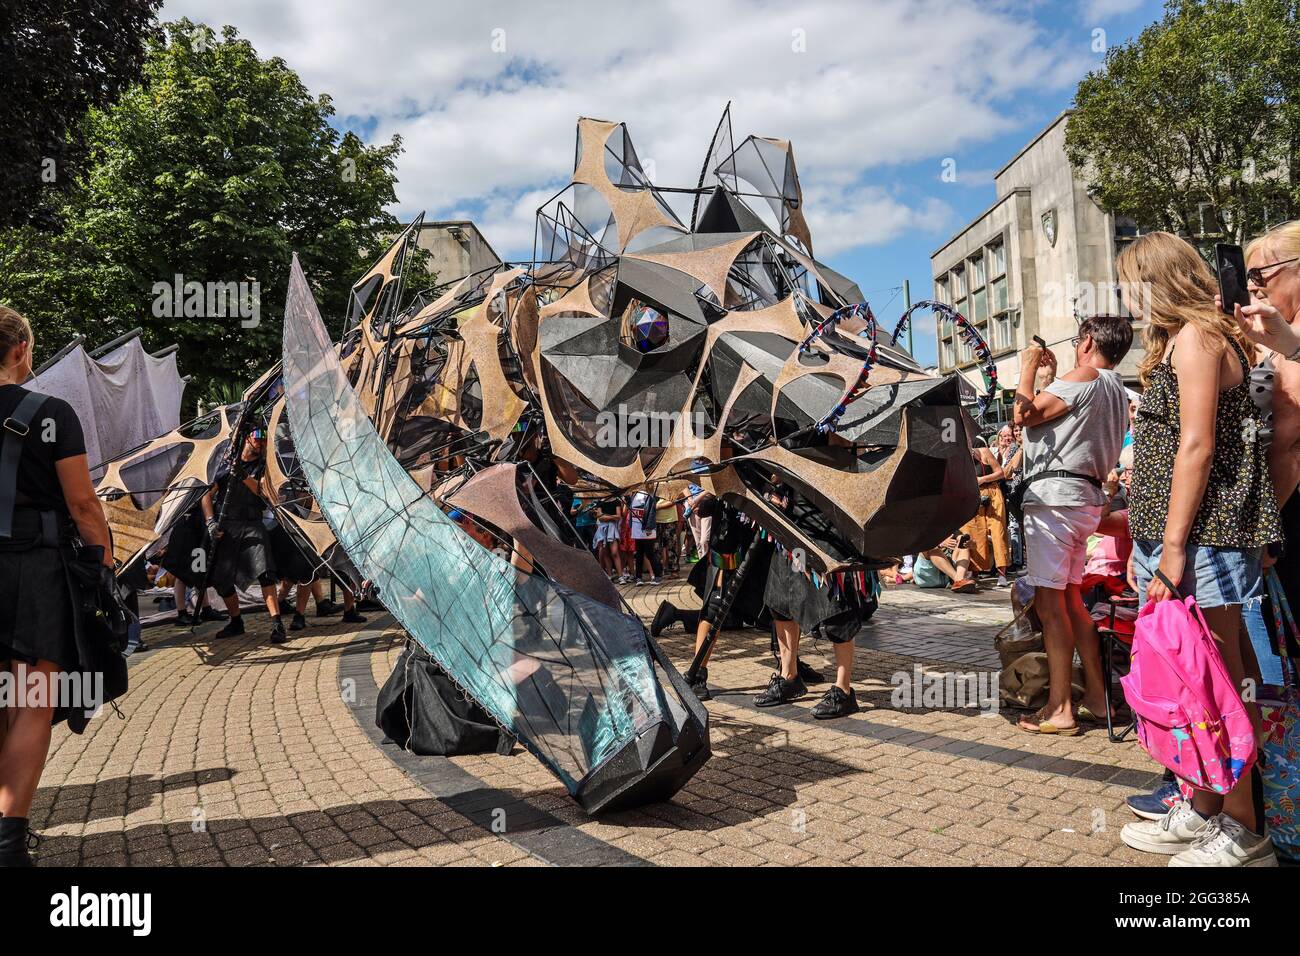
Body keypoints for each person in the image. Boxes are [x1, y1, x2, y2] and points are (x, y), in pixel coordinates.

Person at [1115, 232, 1280, 868]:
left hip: (1203, 536)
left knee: (1214, 680)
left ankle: (1243, 832)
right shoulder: (1189, 337)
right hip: (1186, 533)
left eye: (1133, 283)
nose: (1127, 298)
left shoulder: (1199, 337)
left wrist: (1174, 547)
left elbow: (1197, 445)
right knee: (1193, 680)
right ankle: (1208, 806)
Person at [0, 306, 115, 867]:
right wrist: (105, 566)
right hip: (34, 570)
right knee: (31, 700)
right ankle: (9, 843)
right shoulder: (51, 413)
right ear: (20, 349)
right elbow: (82, 503)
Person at [1012, 313, 1133, 738]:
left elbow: (1023, 414)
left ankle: (1060, 707)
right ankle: (1098, 700)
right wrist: (1049, 378)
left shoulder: (1084, 373)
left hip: (1055, 502)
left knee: (1050, 606)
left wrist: (1027, 367)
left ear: (1086, 343)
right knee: (1072, 602)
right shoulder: (1117, 387)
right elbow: (1064, 420)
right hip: (1085, 500)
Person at [204, 429, 287, 644]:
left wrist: (243, 475)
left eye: (264, 441)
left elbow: (262, 491)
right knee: (221, 579)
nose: (261, 444)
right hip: (227, 526)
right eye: (258, 439)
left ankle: (277, 623)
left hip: (252, 524)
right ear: (248, 438)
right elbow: (206, 495)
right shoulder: (224, 463)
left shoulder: (264, 466)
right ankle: (236, 621)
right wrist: (210, 521)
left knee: (265, 573)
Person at [961, 437, 1012, 587]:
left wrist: (982, 479)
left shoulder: (983, 451)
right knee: (974, 532)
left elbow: (1000, 473)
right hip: (973, 495)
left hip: (992, 492)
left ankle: (1002, 572)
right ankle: (975, 571)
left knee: (998, 531)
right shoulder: (960, 460)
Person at [626, 487, 662, 585]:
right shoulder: (634, 494)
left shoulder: (649, 495)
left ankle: (658, 576)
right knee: (639, 554)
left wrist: (649, 527)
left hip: (647, 529)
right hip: (637, 528)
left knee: (650, 553)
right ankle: (639, 577)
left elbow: (652, 512)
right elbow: (630, 508)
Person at [592, 495, 625, 581]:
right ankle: (610, 575)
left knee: (614, 552)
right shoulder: (600, 502)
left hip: (612, 528)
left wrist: (604, 515)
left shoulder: (616, 501)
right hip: (603, 529)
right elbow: (601, 518)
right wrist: (612, 517)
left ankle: (621, 575)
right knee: (605, 552)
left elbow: (618, 516)